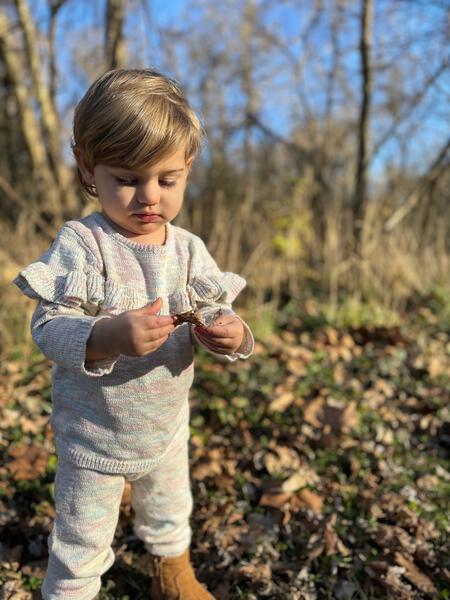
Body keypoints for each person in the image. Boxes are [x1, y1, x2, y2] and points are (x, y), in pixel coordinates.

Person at [13, 68, 253, 600]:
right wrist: (104, 336)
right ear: (88, 169)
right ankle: (71, 591)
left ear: (188, 170)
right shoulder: (85, 244)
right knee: (82, 537)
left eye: (167, 180)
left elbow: (217, 306)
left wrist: (231, 333)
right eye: (127, 178)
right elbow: (48, 325)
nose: (149, 197)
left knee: (170, 507)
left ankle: (173, 572)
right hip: (94, 436)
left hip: (165, 428)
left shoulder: (188, 250)